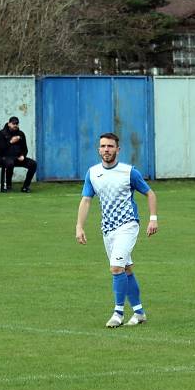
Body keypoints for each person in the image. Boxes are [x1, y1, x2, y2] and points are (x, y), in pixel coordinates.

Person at [75, 133, 158, 328]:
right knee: (126, 269)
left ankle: (118, 313)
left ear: (118, 149)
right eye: (103, 146)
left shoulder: (129, 172)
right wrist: (79, 226)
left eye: (110, 146)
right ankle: (139, 313)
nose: (106, 150)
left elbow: (150, 193)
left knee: (116, 268)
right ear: (99, 149)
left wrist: (153, 219)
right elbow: (86, 200)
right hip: (108, 229)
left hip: (128, 225)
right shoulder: (93, 173)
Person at [0, 116, 37, 193]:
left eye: (17, 123)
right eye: (13, 123)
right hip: (3, 157)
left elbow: (25, 149)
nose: (15, 125)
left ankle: (25, 186)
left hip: (17, 157)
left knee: (33, 164)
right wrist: (11, 142)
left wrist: (22, 155)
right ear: (9, 124)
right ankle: (8, 185)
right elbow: (1, 148)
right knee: (10, 163)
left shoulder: (21, 134)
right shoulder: (1, 133)